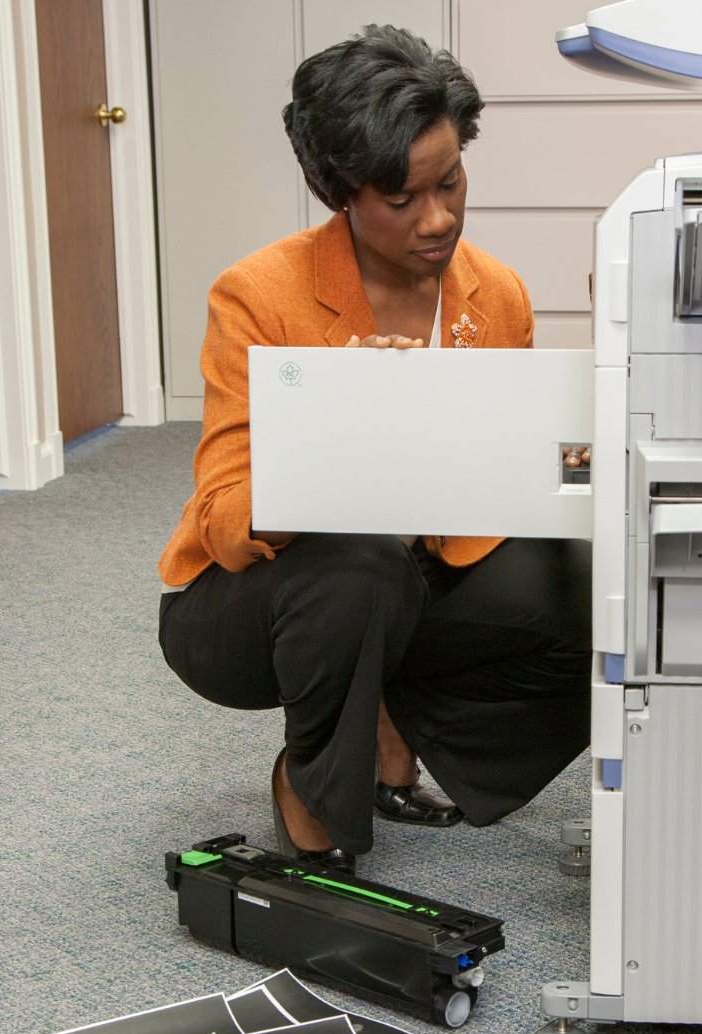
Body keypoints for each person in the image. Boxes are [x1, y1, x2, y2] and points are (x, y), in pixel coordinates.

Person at [156, 25, 590, 872]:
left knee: (584, 584)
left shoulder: (495, 294)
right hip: (252, 598)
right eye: (402, 199)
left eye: (451, 181)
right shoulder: (257, 295)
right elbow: (222, 522)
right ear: (341, 194)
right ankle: (312, 792)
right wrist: (335, 426)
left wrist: (580, 450)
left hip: (415, 571)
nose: (439, 219)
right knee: (362, 566)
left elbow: (509, 476)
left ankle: (398, 723)